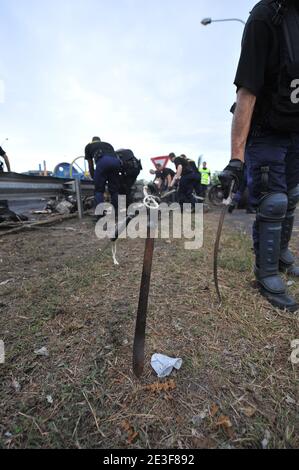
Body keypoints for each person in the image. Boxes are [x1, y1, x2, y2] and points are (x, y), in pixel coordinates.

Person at [219, 0, 299, 312]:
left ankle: (280, 255)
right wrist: (236, 158)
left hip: (294, 130)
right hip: (265, 129)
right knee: (274, 201)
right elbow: (247, 93)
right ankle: (265, 272)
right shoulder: (266, 17)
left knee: (291, 195)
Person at [85, 137, 121, 211]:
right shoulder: (108, 144)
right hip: (116, 162)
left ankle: (100, 214)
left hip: (103, 162)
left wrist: (93, 176)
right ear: (100, 141)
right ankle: (117, 212)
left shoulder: (89, 146)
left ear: (92, 141)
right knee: (114, 190)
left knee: (99, 190)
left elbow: (90, 163)